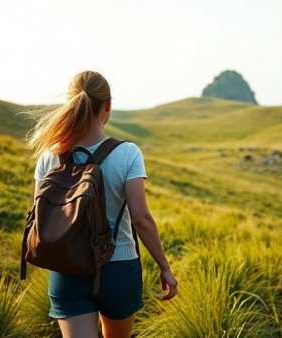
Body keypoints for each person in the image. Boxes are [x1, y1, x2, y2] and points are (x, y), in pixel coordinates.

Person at [26, 70, 177, 337]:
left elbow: (38, 215)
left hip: (66, 268)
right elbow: (141, 218)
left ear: (70, 104)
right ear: (107, 105)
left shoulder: (50, 156)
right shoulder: (127, 153)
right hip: (117, 269)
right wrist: (165, 267)